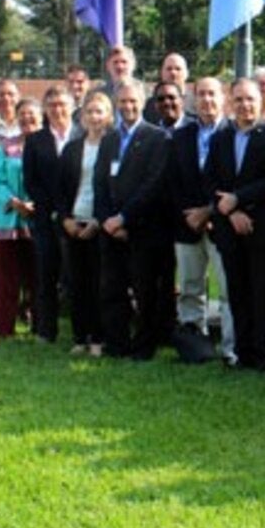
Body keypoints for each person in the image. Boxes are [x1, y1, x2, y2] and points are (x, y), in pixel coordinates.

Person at [201, 78, 265, 371]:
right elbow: (211, 182)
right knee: (237, 293)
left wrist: (238, 199)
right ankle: (242, 354)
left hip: (263, 228)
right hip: (230, 228)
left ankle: (263, 356)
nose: (244, 105)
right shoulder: (220, 139)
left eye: (250, 99)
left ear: (261, 100)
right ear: (231, 102)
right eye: (238, 99)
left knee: (263, 294)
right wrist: (231, 212)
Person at [97, 79, 173, 360]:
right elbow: (99, 183)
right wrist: (107, 219)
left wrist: (124, 218)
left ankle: (143, 347)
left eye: (133, 101)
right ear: (116, 104)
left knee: (145, 292)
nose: (128, 106)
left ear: (143, 104)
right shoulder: (109, 139)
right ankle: (116, 344)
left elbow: (153, 184)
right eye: (123, 102)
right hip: (110, 230)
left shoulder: (157, 137)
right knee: (112, 289)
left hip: (142, 229)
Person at [171, 76, 234, 362]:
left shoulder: (234, 133)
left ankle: (231, 349)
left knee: (228, 291)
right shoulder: (181, 135)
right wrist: (191, 215)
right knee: (190, 289)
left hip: (223, 224)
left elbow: (235, 181)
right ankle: (194, 347)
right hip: (187, 226)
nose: (206, 100)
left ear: (223, 98)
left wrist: (210, 212)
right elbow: (172, 180)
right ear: (193, 99)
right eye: (201, 94)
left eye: (212, 94)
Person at [59, 91, 113, 356]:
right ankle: (80, 337)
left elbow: (116, 190)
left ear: (108, 116)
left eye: (99, 111)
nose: (94, 117)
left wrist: (99, 221)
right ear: (81, 118)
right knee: (77, 284)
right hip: (74, 222)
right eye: (89, 112)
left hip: (100, 225)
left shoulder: (114, 147)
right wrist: (66, 219)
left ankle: (99, 339)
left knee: (100, 284)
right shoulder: (72, 149)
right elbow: (60, 189)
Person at [23, 85, 78, 343]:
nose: (58, 109)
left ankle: (82, 330)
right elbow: (31, 181)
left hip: (78, 216)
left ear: (71, 107)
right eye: (52, 105)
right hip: (46, 218)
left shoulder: (83, 135)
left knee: (77, 275)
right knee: (46, 276)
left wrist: (70, 211)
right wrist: (54, 210)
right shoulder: (35, 140)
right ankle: (46, 330)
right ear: (45, 109)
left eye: (62, 104)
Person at [0, 98, 42, 338]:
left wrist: (36, 204)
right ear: (16, 118)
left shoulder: (48, 146)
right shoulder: (4, 146)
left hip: (36, 219)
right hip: (6, 219)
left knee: (37, 277)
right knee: (6, 278)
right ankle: (4, 328)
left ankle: (40, 326)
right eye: (23, 114)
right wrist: (13, 202)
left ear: (41, 118)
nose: (27, 119)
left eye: (32, 115)